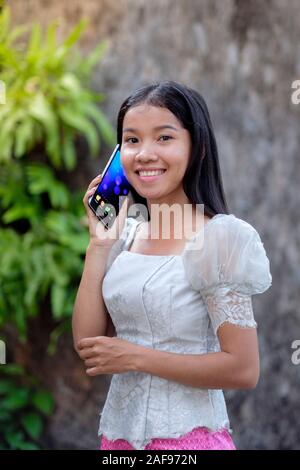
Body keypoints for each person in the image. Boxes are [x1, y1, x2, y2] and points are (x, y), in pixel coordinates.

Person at [72, 80, 272, 450]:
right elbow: (89, 346)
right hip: (119, 446)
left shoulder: (220, 239)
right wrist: (99, 244)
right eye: (132, 140)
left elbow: (243, 369)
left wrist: (135, 357)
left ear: (197, 148)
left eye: (164, 138)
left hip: (188, 444)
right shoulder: (124, 236)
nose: (144, 153)